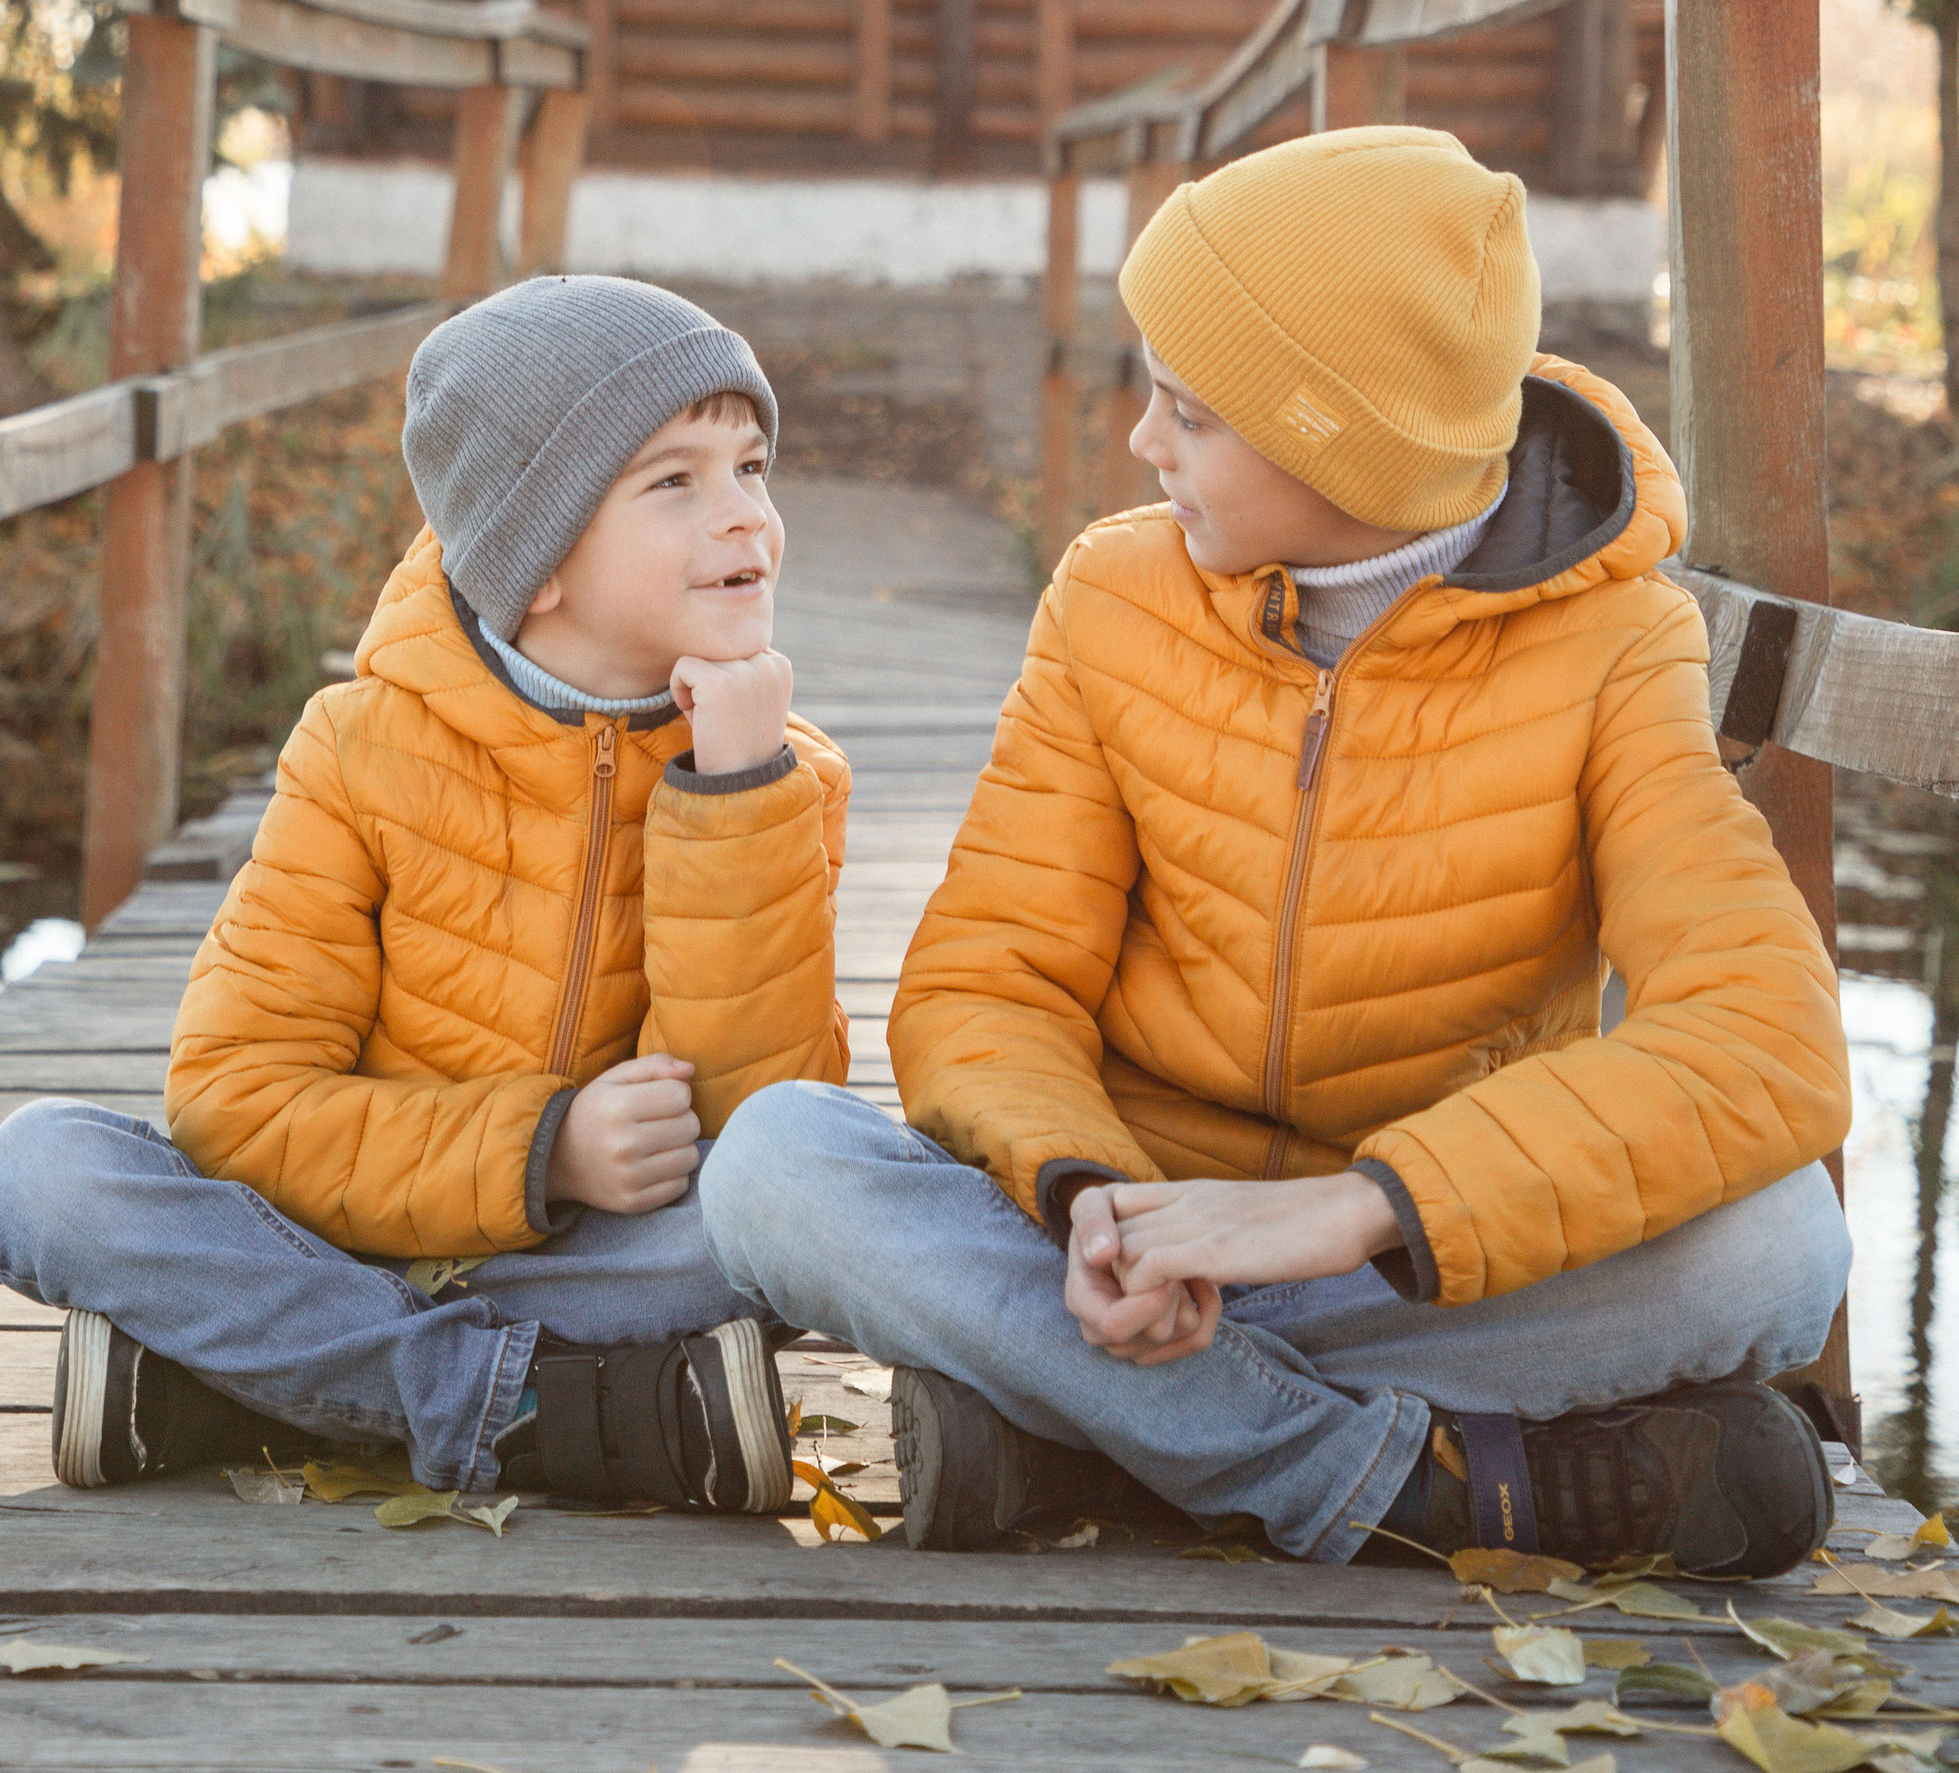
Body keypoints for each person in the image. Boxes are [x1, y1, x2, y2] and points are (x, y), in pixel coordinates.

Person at [701, 126, 1852, 1575]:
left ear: (1336, 438)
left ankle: (1096, 1435)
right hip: (1111, 1246)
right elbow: (987, 982)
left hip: (1406, 1260)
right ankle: (1399, 1485)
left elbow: (1769, 1044)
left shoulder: (1618, 646)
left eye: (1188, 410)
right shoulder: (1111, 597)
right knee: (771, 1164)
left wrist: (1359, 1212)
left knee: (1781, 1244)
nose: (1141, 442)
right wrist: (1089, 1203)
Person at [0, 272, 847, 1515]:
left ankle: (226, 1384)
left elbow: (753, 1126)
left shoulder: (779, 773)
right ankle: (545, 1408)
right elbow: (233, 1109)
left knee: (811, 1211)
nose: (746, 519)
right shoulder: (359, 748)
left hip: (598, 1263)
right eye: (675, 481)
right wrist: (545, 1152)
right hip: (336, 1234)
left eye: (752, 466)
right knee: (39, 1176)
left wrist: (737, 792)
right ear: (534, 559)